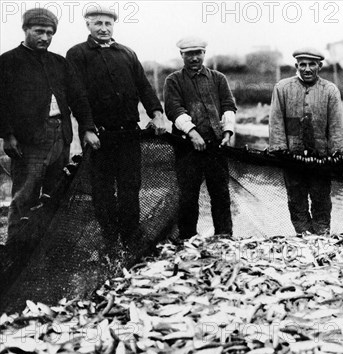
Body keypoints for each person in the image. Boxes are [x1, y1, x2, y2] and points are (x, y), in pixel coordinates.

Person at [66, 6, 167, 249]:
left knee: (130, 188)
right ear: (88, 25)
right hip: (99, 136)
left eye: (108, 24)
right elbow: (76, 95)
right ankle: (110, 241)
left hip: (129, 133)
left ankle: (131, 239)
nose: (103, 28)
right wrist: (87, 129)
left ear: (114, 26)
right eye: (98, 23)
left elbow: (144, 87)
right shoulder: (77, 54)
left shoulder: (127, 54)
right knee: (102, 192)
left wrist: (157, 113)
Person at [0, 8, 96, 247]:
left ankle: (49, 252)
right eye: (39, 31)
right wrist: (8, 135)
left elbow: (78, 97)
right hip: (29, 140)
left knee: (56, 195)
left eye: (50, 33)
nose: (45, 37)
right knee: (25, 196)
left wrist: (87, 128)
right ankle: (16, 251)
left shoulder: (59, 62)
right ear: (26, 30)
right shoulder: (8, 60)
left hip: (61, 137)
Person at [269, 48, 343, 235]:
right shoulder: (282, 88)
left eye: (312, 64)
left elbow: (336, 124)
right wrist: (280, 148)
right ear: (296, 66)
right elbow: (276, 120)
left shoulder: (330, 90)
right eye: (302, 64)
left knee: (321, 198)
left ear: (319, 66)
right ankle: (303, 234)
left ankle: (322, 234)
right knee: (296, 199)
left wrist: (338, 152)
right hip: (292, 157)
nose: (307, 68)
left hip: (321, 157)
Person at [164, 37, 236, 239]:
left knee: (221, 194)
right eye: (189, 54)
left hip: (216, 148)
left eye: (198, 53)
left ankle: (224, 237)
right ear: (182, 55)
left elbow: (229, 105)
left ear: (204, 54)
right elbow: (173, 109)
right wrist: (193, 133)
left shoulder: (218, 78)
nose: (194, 58)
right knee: (188, 196)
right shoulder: (173, 80)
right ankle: (187, 238)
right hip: (187, 149)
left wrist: (228, 132)